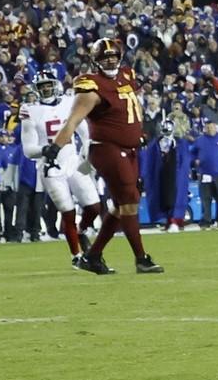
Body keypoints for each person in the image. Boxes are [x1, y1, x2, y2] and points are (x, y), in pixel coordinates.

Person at [44, 38, 163, 274]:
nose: (109, 60)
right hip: (107, 149)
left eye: (113, 56)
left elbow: (130, 108)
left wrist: (139, 130)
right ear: (95, 61)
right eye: (104, 57)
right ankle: (141, 258)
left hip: (130, 150)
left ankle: (93, 256)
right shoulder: (91, 86)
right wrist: (54, 149)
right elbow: (73, 121)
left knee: (121, 206)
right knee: (129, 201)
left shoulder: (126, 75)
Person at [20, 70, 102, 265]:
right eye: (42, 86)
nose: (46, 88)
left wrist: (86, 150)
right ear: (37, 89)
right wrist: (44, 149)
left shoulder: (69, 101)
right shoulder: (30, 111)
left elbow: (83, 130)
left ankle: (82, 231)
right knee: (67, 211)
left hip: (74, 161)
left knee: (94, 206)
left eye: (48, 84)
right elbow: (28, 149)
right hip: (51, 167)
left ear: (55, 84)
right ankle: (76, 256)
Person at [191, 120, 218, 230]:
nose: (210, 129)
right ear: (205, 129)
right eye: (208, 127)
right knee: (206, 199)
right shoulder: (200, 141)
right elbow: (192, 153)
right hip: (204, 174)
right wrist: (195, 161)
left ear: (215, 127)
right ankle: (206, 221)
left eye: (212, 127)